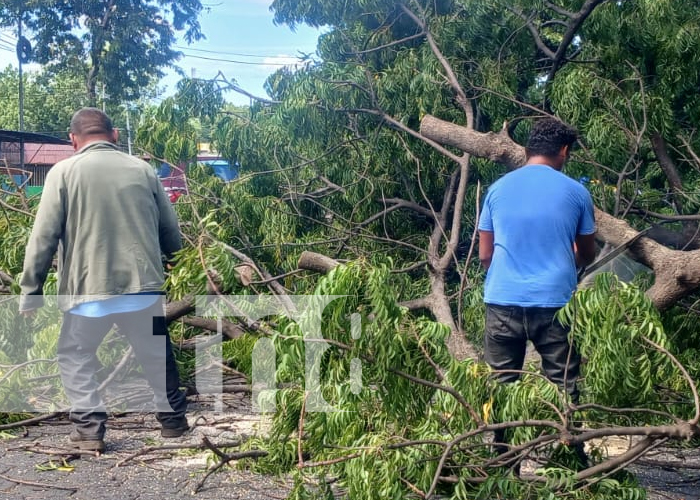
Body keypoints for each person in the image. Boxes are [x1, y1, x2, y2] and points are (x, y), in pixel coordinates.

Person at [19, 108, 188, 452]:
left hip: (88, 293)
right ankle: (172, 424)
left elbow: (43, 237)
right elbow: (170, 230)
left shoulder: (63, 173)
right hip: (143, 290)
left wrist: (30, 292)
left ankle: (90, 432)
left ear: (73, 140)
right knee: (157, 353)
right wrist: (179, 263)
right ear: (114, 136)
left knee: (75, 355)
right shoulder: (143, 170)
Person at [478, 117, 596, 462]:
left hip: (502, 300)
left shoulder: (497, 190)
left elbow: (486, 254)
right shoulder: (577, 192)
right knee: (563, 384)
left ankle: (502, 463)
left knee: (502, 387)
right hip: (555, 305)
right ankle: (570, 463)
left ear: (528, 150)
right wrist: (561, 264)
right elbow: (586, 253)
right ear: (563, 151)